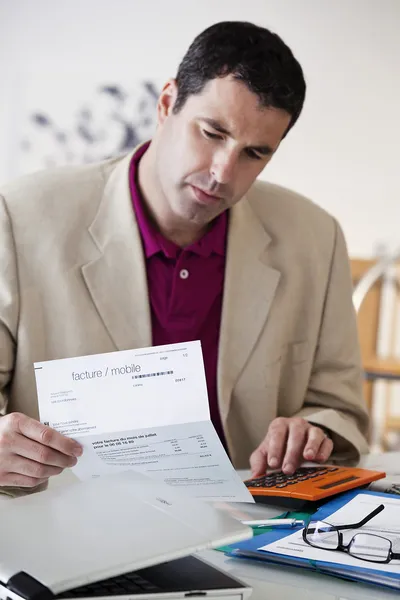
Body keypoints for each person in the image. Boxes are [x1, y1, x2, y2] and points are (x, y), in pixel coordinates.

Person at [0, 21, 369, 496]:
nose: (223, 173)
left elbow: (341, 412)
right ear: (167, 102)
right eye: (212, 132)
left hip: (242, 530)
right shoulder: (19, 218)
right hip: (63, 525)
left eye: (255, 153)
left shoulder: (317, 238)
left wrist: (315, 432)